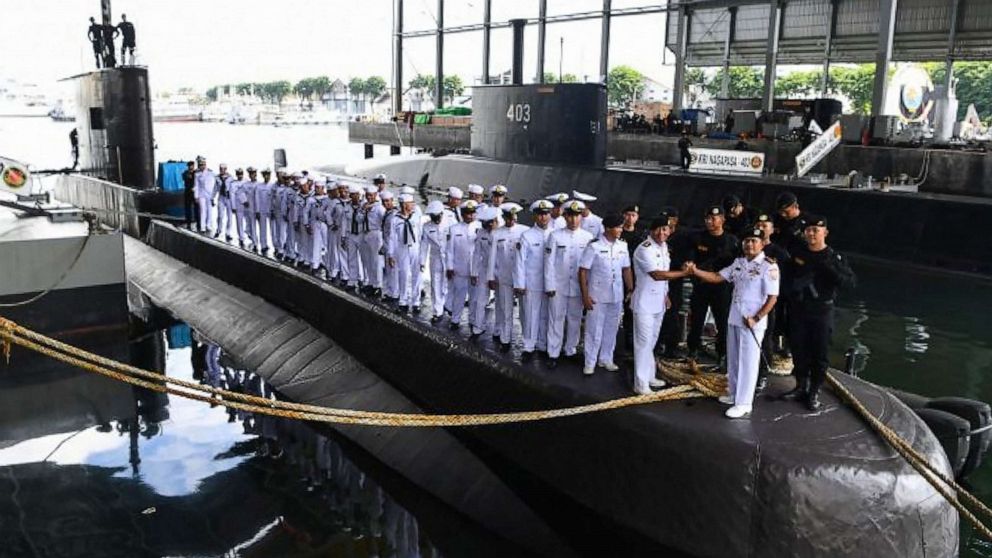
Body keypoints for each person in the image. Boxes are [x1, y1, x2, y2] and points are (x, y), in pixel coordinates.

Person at [688, 227, 780, 418]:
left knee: (748, 362)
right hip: (735, 317)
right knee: (734, 359)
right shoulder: (738, 263)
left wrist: (757, 318)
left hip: (752, 321)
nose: (750, 244)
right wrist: (695, 271)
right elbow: (717, 277)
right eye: (747, 240)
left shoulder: (768, 266)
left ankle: (744, 402)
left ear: (762, 243)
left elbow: (772, 298)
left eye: (754, 240)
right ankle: (733, 393)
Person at [780, 215, 856, 411]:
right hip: (799, 309)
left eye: (816, 230)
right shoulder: (797, 254)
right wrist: (792, 291)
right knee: (798, 348)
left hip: (821, 310)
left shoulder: (834, 257)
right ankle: (801, 385)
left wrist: (829, 270)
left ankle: (814, 390)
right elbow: (784, 279)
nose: (811, 234)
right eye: (808, 230)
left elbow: (849, 283)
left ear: (825, 233)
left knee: (819, 352)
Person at [631, 216, 692, 395]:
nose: (662, 232)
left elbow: (663, 277)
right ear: (651, 230)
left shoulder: (664, 247)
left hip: (658, 303)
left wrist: (666, 295)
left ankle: (649, 376)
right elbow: (657, 275)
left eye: (665, 229)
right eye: (658, 229)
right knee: (642, 343)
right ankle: (640, 384)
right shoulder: (644, 249)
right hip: (644, 304)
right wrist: (683, 273)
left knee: (651, 342)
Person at [578, 215, 632, 376]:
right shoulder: (594, 247)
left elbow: (626, 269)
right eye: (618, 227)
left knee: (611, 328)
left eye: (621, 227)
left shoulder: (623, 246)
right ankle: (590, 362)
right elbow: (582, 272)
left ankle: (606, 358)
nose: (621, 230)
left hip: (616, 295)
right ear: (608, 228)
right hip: (597, 295)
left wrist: (631, 288)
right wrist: (585, 295)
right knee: (594, 330)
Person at [544, 200, 594, 368]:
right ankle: (553, 352)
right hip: (558, 285)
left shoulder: (588, 238)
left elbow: (590, 266)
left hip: (578, 287)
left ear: (581, 216)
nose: (574, 220)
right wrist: (549, 285)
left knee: (575, 318)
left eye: (577, 216)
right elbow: (549, 263)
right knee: (556, 318)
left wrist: (588, 289)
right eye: (570, 216)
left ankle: (570, 349)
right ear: (565, 217)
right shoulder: (555, 236)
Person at [686, 205, 739, 363]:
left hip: (721, 287)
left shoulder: (731, 241)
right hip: (701, 285)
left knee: (722, 321)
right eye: (707, 219)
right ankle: (693, 349)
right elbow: (691, 260)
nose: (709, 222)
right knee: (696, 320)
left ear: (722, 219)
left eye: (713, 219)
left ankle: (722, 352)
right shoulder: (698, 238)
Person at [514, 200, 555, 359]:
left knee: (546, 314)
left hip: (550, 284)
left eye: (546, 214)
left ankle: (543, 344)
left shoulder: (555, 234)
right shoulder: (527, 236)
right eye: (540, 214)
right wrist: (520, 283)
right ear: (535, 216)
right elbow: (520, 262)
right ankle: (529, 346)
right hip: (532, 282)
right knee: (531, 315)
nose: (543, 217)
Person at [489, 202, 527, 350]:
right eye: (509, 218)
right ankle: (505, 339)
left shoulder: (524, 231)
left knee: (524, 311)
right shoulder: (496, 233)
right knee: (506, 309)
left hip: (521, 278)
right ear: (504, 218)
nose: (512, 220)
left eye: (514, 217)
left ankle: (528, 341)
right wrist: (490, 276)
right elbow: (492, 257)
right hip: (503, 276)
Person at [445, 200, 479, 330]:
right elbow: (449, 250)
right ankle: (455, 319)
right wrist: (449, 267)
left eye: (472, 213)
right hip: (459, 268)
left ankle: (473, 320)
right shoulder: (454, 229)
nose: (470, 216)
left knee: (474, 297)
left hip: (475, 269)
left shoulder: (480, 227)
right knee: (459, 295)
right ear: (463, 214)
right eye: (467, 213)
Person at [388, 194, 423, 312]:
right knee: (403, 274)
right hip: (402, 249)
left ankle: (416, 302)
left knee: (416, 275)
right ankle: (403, 301)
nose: (413, 205)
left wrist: (422, 254)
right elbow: (392, 238)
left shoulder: (416, 217)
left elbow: (421, 235)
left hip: (415, 248)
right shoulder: (395, 219)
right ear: (404, 204)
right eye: (411, 203)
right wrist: (391, 255)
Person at [468, 206, 499, 336]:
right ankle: (478, 326)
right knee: (480, 299)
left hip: (500, 270)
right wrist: (474, 272)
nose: (487, 227)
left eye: (489, 224)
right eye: (485, 224)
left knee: (501, 302)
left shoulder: (502, 233)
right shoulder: (481, 233)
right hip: (484, 268)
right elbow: (477, 253)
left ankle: (499, 330)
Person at [420, 201, 448, 323]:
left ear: (442, 214)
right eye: (433, 217)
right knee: (435, 284)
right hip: (435, 257)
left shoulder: (450, 223)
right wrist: (422, 261)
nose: (436, 219)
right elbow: (424, 245)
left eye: (437, 217)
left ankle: (448, 305)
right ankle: (438, 311)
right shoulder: (427, 227)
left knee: (448, 283)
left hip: (449, 257)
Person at [619, 205, 641, 352]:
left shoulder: (640, 236)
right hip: (615, 276)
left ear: (637, 217)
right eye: (627, 214)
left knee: (630, 310)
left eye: (633, 215)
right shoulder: (617, 233)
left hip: (632, 276)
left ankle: (628, 340)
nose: (630, 218)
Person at [360, 186, 385, 295]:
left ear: (375, 195)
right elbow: (358, 220)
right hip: (365, 233)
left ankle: (378, 285)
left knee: (376, 261)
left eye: (371, 195)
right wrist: (363, 210)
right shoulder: (364, 206)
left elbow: (384, 223)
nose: (369, 197)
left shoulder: (379, 208)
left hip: (376, 233)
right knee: (367, 260)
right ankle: (370, 282)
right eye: (367, 195)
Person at [341, 184, 365, 290]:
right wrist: (343, 236)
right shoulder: (347, 206)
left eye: (356, 195)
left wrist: (362, 210)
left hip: (361, 234)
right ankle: (352, 280)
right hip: (351, 234)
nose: (355, 197)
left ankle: (364, 280)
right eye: (353, 195)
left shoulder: (364, 206)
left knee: (364, 258)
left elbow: (362, 220)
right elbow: (344, 222)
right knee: (351, 258)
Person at [253, 169, 275, 254]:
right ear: (263, 176)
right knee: (262, 228)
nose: (267, 177)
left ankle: (276, 246)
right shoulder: (259, 186)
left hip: (270, 210)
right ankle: (263, 245)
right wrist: (257, 211)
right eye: (265, 175)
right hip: (262, 210)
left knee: (273, 229)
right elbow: (256, 199)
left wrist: (273, 210)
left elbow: (274, 200)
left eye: (268, 175)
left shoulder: (273, 186)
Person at [193, 158, 216, 235]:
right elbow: (196, 186)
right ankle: (202, 227)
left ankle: (208, 225)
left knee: (209, 210)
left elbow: (214, 184)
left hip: (209, 194)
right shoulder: (197, 174)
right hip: (201, 194)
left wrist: (213, 196)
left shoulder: (211, 173)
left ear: (205, 165)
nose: (202, 166)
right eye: (200, 165)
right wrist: (196, 196)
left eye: (203, 164)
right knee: (203, 210)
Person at [214, 164, 234, 240]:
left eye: (223, 169)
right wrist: (212, 198)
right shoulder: (217, 178)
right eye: (220, 169)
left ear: (226, 169)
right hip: (221, 197)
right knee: (220, 216)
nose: (222, 170)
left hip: (228, 198)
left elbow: (233, 189)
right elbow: (215, 188)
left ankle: (228, 233)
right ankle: (219, 230)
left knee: (230, 217)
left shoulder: (230, 178)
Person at [182, 160, 197, 230]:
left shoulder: (196, 173)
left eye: (192, 166)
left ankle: (198, 223)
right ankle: (188, 223)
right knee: (188, 209)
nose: (191, 167)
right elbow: (185, 178)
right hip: (187, 192)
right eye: (189, 166)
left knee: (196, 208)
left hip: (194, 192)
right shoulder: (185, 173)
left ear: (193, 166)